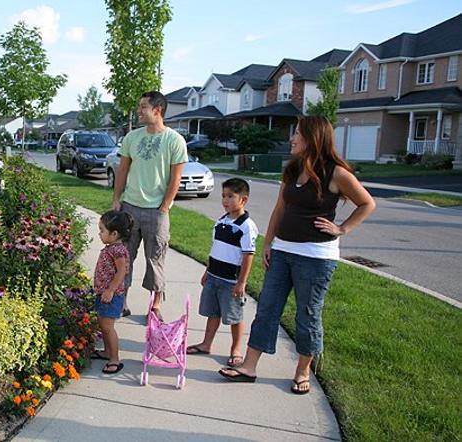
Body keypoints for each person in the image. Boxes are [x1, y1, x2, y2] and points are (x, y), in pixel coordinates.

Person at [219, 116, 375, 395]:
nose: (292, 138)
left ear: (313, 138)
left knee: (307, 314)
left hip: (317, 257)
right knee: (267, 307)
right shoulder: (292, 169)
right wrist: (268, 243)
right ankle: (249, 366)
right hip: (282, 251)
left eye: (298, 134)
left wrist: (342, 228)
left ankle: (303, 370)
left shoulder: (336, 173)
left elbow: (367, 203)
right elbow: (280, 208)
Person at [112, 91, 187, 321]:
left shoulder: (174, 140)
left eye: (143, 107)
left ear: (158, 110)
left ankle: (155, 305)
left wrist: (164, 206)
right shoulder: (131, 138)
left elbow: (176, 178)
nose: (139, 110)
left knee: (155, 258)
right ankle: (121, 300)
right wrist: (117, 198)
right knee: (124, 257)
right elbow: (122, 170)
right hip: (130, 207)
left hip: (157, 211)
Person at [187, 178, 258, 368]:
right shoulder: (221, 221)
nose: (225, 201)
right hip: (214, 276)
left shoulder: (246, 226)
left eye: (230, 196)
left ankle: (236, 349)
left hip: (231, 281)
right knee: (213, 312)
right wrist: (207, 271)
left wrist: (241, 282)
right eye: (223, 196)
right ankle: (206, 344)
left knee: (235, 316)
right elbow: (215, 249)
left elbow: (248, 256)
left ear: (243, 200)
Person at [90, 210, 133, 375]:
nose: (99, 233)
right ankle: (107, 352)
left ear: (114, 234)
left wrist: (110, 290)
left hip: (111, 296)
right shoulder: (111, 247)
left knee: (108, 327)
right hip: (104, 294)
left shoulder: (118, 250)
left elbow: (122, 272)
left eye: (102, 230)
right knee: (103, 324)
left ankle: (114, 358)